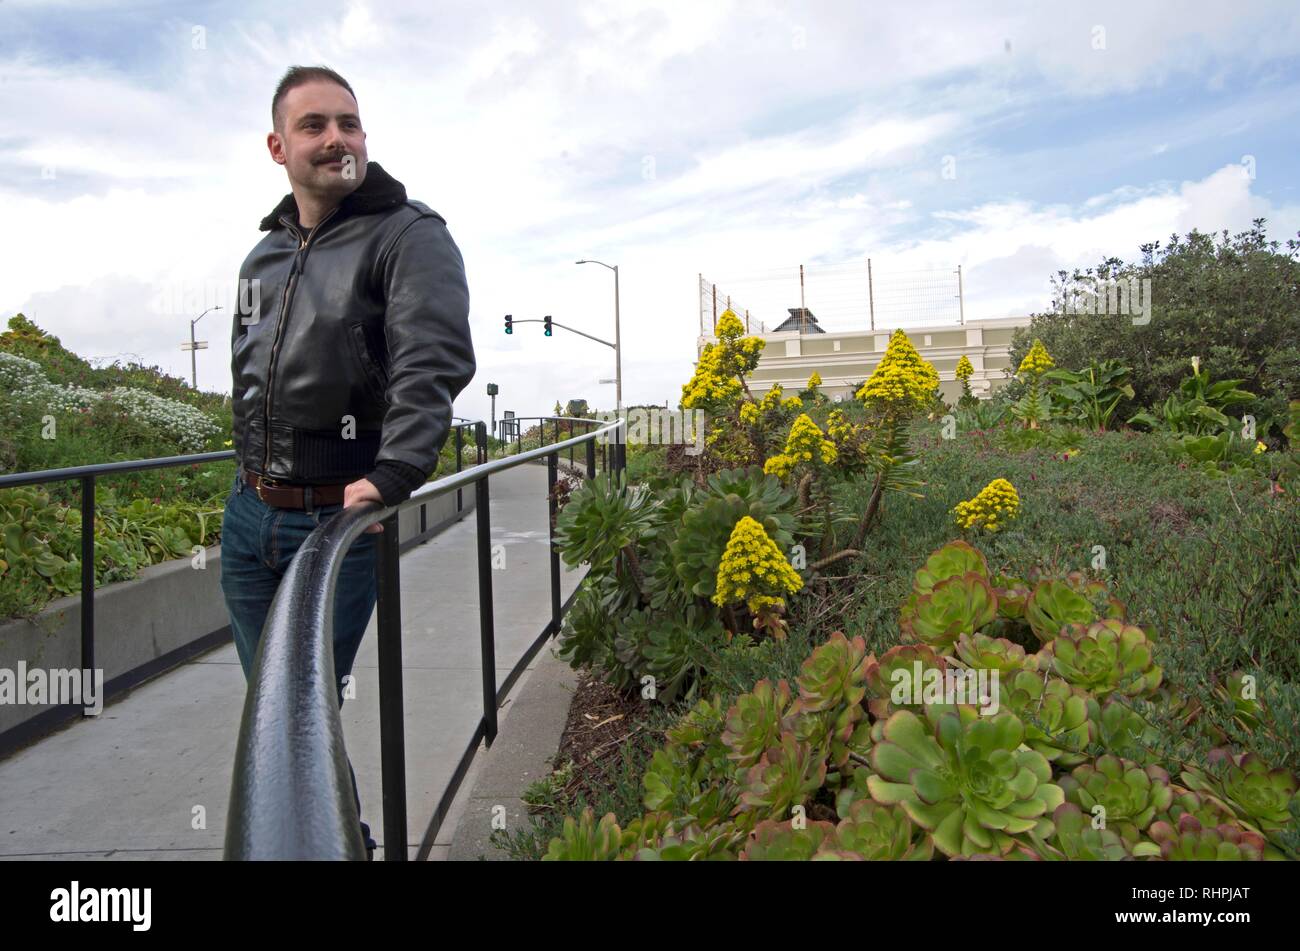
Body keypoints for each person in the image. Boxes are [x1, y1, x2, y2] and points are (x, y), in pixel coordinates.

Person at [221, 65, 476, 859]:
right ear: (277, 145)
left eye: (350, 123)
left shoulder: (408, 233)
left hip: (332, 520)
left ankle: (340, 844)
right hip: (248, 521)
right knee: (275, 711)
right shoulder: (263, 254)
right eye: (315, 126)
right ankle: (342, 840)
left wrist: (393, 473)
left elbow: (429, 361)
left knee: (300, 709)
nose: (338, 139)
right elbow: (248, 371)